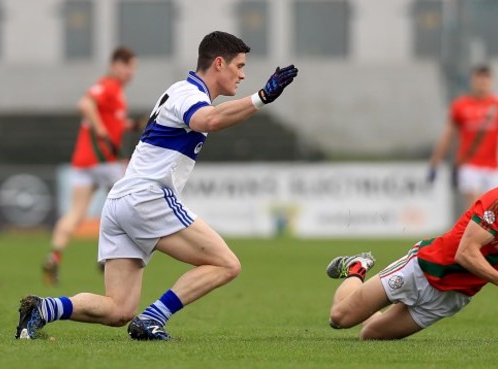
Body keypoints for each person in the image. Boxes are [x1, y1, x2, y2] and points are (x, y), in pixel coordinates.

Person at [16, 31, 298, 340]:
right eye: (240, 66)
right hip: (146, 197)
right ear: (219, 63)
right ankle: (152, 319)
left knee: (119, 309)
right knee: (227, 264)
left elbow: (210, 118)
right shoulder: (189, 94)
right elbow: (210, 121)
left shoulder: (183, 92)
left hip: (121, 201)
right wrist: (262, 97)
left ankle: (43, 309)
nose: (243, 74)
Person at [325, 153, 498, 340]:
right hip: (423, 269)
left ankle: (366, 303)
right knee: (340, 319)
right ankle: (357, 268)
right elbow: (466, 253)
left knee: (369, 336)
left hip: (452, 298)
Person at [43, 46, 138, 285]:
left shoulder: (116, 92)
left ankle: (54, 255)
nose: (131, 73)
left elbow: (111, 121)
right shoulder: (107, 85)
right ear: (115, 65)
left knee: (76, 213)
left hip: (83, 162)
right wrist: (100, 128)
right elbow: (85, 105)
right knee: (125, 206)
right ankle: (109, 256)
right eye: (129, 67)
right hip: (103, 161)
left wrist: (129, 125)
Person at [427, 65, 498, 208]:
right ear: (472, 81)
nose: (482, 84)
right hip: (469, 164)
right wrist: (435, 163)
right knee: (476, 208)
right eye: (479, 79)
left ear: (491, 82)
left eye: (486, 80)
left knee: (497, 210)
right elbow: (447, 136)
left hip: (494, 166)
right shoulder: (460, 106)